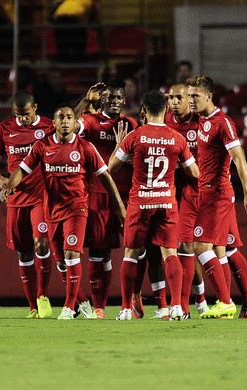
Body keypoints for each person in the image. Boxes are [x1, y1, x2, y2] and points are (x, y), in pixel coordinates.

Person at [2, 105, 126, 320]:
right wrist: (9, 186)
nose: (66, 121)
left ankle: (69, 307)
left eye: (70, 117)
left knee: (72, 254)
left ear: (74, 122)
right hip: (52, 211)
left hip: (76, 208)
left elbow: (105, 176)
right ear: (55, 123)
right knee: (61, 262)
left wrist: (120, 207)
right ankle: (84, 303)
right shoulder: (42, 147)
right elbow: (22, 169)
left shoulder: (85, 147)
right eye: (61, 117)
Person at [165, 83, 247, 319]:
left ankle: (231, 302)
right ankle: (185, 308)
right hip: (193, 192)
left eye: (187, 97)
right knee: (190, 246)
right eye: (174, 98)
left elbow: (238, 157)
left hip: (216, 193)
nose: (182, 101)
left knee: (220, 248)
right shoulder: (174, 122)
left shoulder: (216, 121)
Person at [108, 90, 199, 321]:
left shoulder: (135, 136)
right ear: (166, 110)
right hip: (166, 201)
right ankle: (176, 306)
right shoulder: (176, 138)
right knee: (170, 252)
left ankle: (126, 309)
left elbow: (112, 167)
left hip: (140, 201)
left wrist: (120, 146)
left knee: (131, 254)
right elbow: (195, 173)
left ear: (144, 111)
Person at [0, 91, 55, 319]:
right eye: (19, 115)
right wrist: (1, 181)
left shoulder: (48, 126)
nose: (23, 119)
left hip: (40, 196)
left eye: (26, 114)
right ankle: (32, 307)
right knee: (23, 252)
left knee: (42, 245)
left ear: (35, 108)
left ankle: (43, 296)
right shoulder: (4, 129)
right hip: (16, 199)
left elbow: (70, 121)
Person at [76, 80, 139, 318]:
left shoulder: (130, 124)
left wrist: (126, 158)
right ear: (102, 99)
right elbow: (67, 127)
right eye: (110, 97)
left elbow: (139, 156)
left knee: (135, 250)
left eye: (118, 98)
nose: (114, 101)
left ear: (124, 100)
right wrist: (85, 98)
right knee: (99, 253)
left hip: (127, 195)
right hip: (98, 195)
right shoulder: (90, 122)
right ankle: (99, 307)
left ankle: (134, 298)